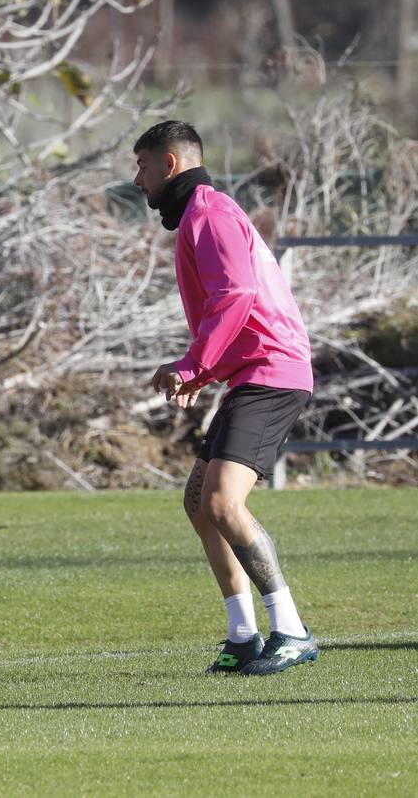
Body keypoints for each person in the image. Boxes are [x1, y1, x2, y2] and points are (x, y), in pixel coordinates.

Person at [134, 120, 318, 676]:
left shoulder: (209, 213)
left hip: (273, 373)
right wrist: (202, 374)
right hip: (254, 373)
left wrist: (194, 364)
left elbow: (236, 295)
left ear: (170, 165)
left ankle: (290, 630)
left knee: (222, 504)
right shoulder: (201, 212)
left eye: (142, 167)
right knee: (198, 503)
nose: (137, 180)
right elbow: (237, 306)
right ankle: (243, 634)